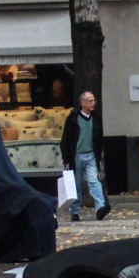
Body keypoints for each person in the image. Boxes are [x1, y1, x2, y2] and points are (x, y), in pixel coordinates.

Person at [61, 90, 109, 221]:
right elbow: (65, 140)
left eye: (94, 100)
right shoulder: (72, 118)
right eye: (90, 101)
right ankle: (74, 212)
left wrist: (100, 154)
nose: (94, 103)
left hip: (92, 154)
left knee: (94, 181)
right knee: (75, 185)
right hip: (76, 155)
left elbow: (99, 138)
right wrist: (66, 158)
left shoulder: (96, 118)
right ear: (83, 103)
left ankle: (100, 208)